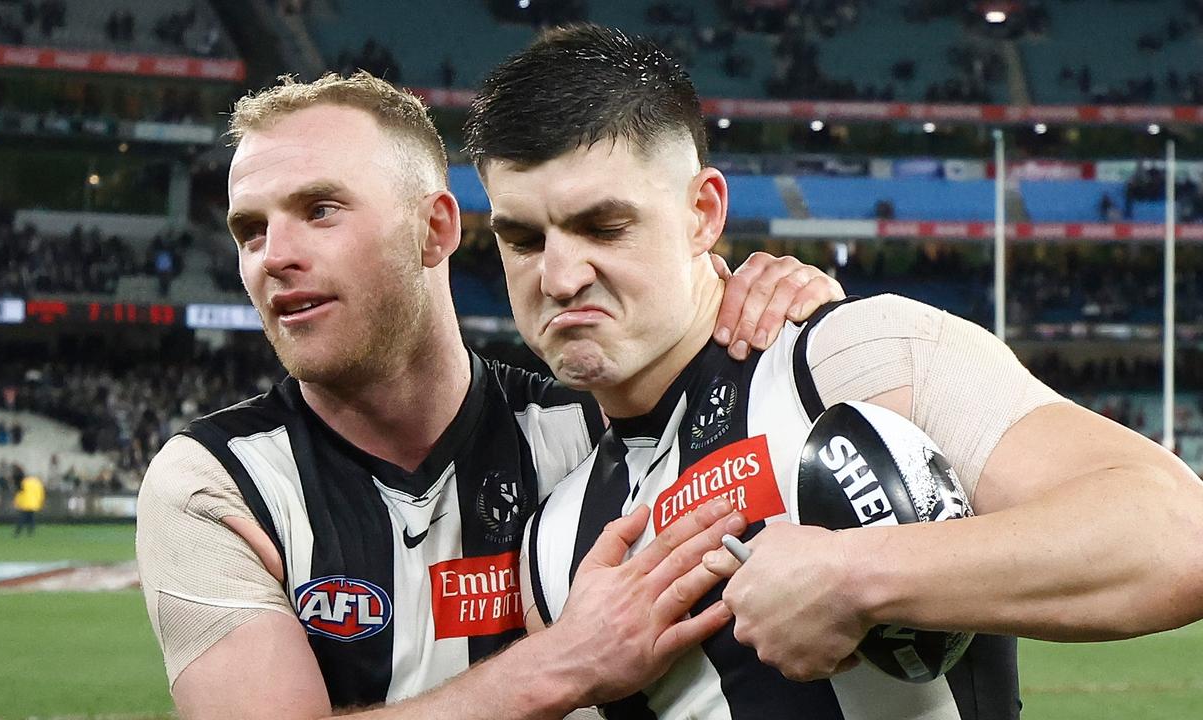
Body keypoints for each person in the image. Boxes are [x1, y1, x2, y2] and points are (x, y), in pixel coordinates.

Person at [464, 24, 1203, 720]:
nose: (559, 278)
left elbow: (1176, 532)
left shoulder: (854, 358)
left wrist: (857, 575)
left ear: (703, 213)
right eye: (523, 239)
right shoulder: (551, 542)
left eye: (604, 226)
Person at [135, 71, 845, 720]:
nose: (273, 257)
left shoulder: (589, 432)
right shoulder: (212, 483)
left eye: (320, 210)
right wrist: (563, 664)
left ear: (436, 228)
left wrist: (784, 314)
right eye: (249, 230)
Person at [12, 466, 45, 537]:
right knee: (31, 518)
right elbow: (41, 494)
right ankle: (30, 532)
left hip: (25, 503)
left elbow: (19, 493)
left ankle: (18, 532)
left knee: (22, 518)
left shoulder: (24, 482)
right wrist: (40, 502)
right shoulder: (38, 483)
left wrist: (16, 502)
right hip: (34, 503)